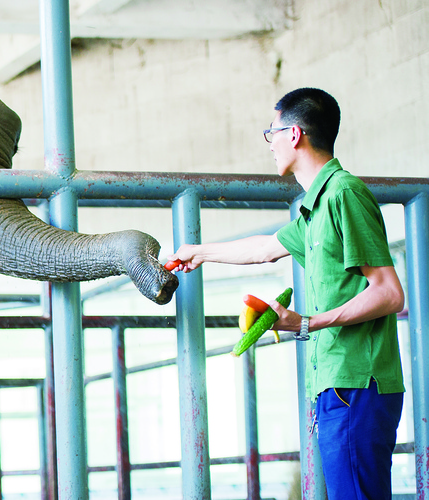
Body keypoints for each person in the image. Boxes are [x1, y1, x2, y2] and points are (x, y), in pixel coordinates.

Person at [167, 87, 405, 499]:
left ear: (294, 134)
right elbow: (265, 248)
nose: (270, 144)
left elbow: (388, 293)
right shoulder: (315, 207)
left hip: (357, 384)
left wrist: (308, 323)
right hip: (337, 384)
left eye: (271, 133)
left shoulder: (344, 194)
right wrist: (199, 253)